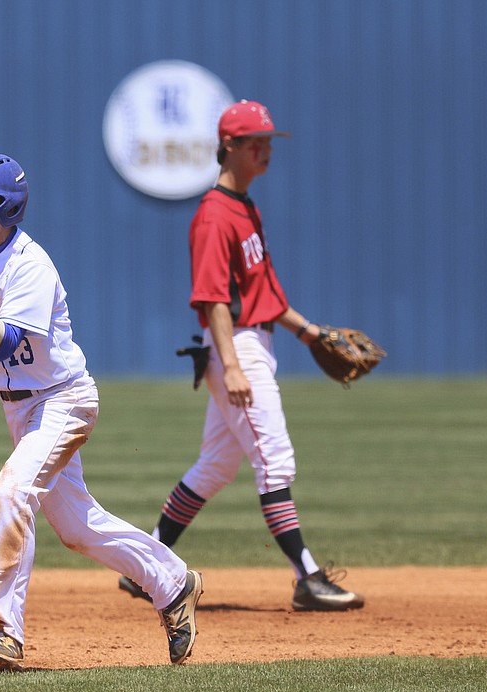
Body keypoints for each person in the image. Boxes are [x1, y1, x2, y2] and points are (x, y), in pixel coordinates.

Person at [0, 153, 203, 669]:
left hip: (64, 399)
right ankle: (174, 583)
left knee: (12, 492)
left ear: (8, 207)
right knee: (78, 530)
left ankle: (4, 633)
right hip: (19, 410)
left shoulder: (30, 266)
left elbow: (4, 346)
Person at [118, 101, 365, 612]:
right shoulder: (213, 215)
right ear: (229, 146)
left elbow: (263, 295)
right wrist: (230, 365)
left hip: (253, 342)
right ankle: (308, 577)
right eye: (257, 141)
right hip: (238, 349)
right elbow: (212, 300)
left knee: (215, 466)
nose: (266, 148)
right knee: (275, 463)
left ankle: (144, 566)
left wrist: (309, 333)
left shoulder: (245, 206)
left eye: (269, 140)